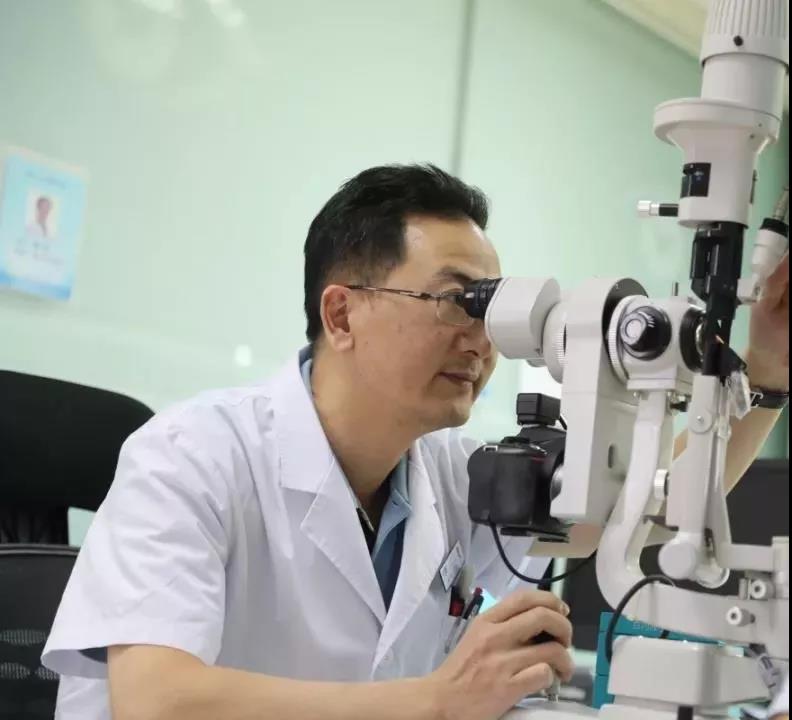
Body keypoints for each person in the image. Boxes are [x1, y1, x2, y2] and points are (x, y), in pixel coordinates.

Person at [43, 165, 789, 720]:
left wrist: (767, 373)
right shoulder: (191, 454)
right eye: (458, 300)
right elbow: (157, 702)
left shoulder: (452, 474)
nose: (483, 341)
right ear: (341, 315)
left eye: (492, 312)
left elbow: (647, 505)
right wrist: (438, 700)